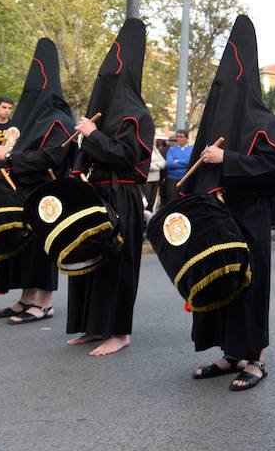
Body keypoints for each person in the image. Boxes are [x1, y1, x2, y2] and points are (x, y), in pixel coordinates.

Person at [185, 15, 275, 391]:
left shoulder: (264, 121)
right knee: (220, 282)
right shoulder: (212, 123)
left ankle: (255, 358)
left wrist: (228, 161)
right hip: (217, 216)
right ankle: (230, 353)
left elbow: (274, 168)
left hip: (249, 214)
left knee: (250, 285)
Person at [67, 19, 154, 356]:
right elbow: (87, 153)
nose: (105, 84)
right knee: (90, 258)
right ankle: (92, 326)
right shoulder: (101, 115)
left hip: (121, 194)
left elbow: (126, 157)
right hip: (96, 194)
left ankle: (119, 332)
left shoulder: (137, 115)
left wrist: (93, 135)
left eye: (111, 78)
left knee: (119, 264)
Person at [0, 39, 75, 323]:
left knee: (42, 247)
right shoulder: (29, 119)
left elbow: (51, 157)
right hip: (22, 190)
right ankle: (26, 298)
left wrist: (11, 156)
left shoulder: (59, 119)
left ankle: (44, 303)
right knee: (23, 247)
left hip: (46, 193)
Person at [164, 129, 192, 203]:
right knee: (172, 200)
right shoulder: (171, 149)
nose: (179, 138)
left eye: (181, 136)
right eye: (177, 137)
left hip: (186, 178)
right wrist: (184, 161)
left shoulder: (191, 149)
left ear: (186, 138)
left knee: (185, 200)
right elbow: (169, 164)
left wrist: (177, 161)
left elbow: (190, 163)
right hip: (172, 179)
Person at [144, 143, 166, 213]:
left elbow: (164, 163)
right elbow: (146, 164)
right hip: (147, 179)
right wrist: (157, 166)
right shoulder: (145, 148)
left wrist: (154, 164)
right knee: (146, 201)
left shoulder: (155, 150)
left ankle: (149, 216)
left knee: (152, 200)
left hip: (156, 179)